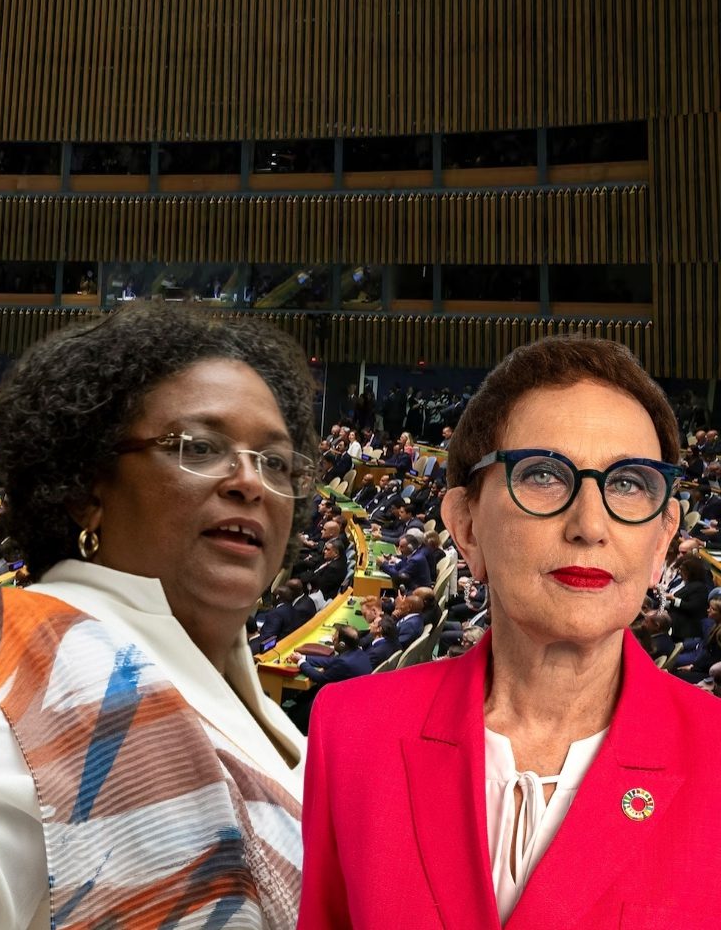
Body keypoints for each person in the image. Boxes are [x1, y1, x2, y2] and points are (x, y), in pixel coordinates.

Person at [0, 303, 311, 929]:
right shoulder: (13, 651)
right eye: (200, 446)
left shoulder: (266, 704)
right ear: (84, 492)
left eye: (275, 461)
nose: (250, 481)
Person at [301, 335, 721, 927]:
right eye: (545, 474)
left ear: (661, 540)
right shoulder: (350, 732)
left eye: (628, 483)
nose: (590, 525)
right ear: (466, 526)